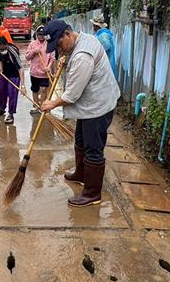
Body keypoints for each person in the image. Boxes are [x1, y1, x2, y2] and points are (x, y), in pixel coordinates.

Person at [41, 20, 120, 207]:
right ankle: (81, 174)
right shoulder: (84, 39)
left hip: (98, 107)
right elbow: (72, 59)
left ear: (67, 34)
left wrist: (52, 103)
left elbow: (72, 95)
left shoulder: (82, 56)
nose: (59, 50)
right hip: (90, 104)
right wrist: (65, 59)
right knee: (80, 140)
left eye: (59, 45)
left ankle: (92, 193)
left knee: (93, 148)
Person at [0, 36, 25, 125]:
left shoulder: (12, 51)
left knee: (12, 94)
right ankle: (2, 109)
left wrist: (23, 86)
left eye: (4, 46)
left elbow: (21, 68)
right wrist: (0, 69)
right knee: (2, 91)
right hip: (4, 74)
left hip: (14, 75)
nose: (2, 49)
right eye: (1, 47)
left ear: (6, 44)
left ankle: (11, 114)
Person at [24, 25, 55, 115]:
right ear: (37, 34)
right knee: (35, 90)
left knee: (44, 89)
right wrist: (34, 51)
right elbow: (27, 57)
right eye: (39, 34)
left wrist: (48, 67)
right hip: (34, 72)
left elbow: (52, 58)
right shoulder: (32, 44)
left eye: (43, 34)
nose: (41, 36)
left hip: (44, 72)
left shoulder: (49, 44)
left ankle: (43, 106)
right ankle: (36, 106)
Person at [90, 15, 118, 80]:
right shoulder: (102, 34)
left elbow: (102, 50)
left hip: (105, 66)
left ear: (96, 26)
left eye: (93, 25)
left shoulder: (102, 36)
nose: (93, 27)